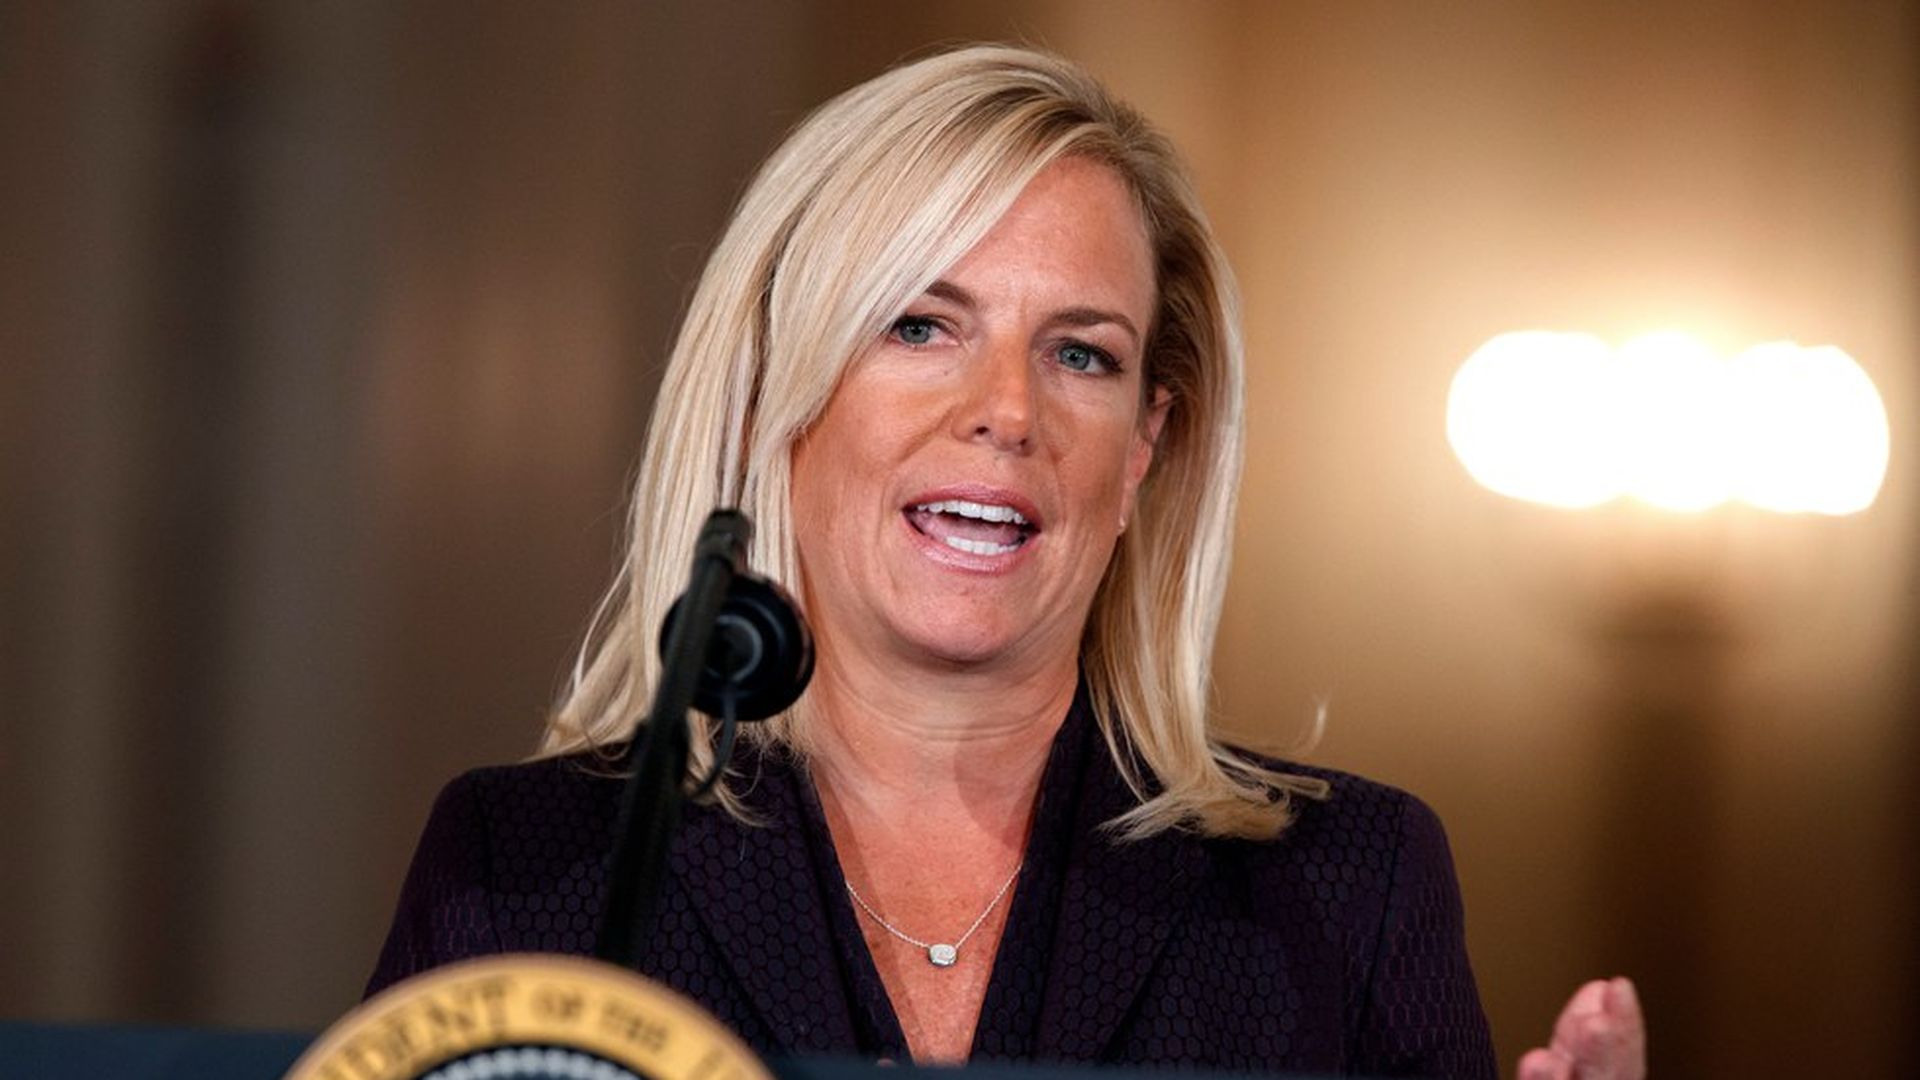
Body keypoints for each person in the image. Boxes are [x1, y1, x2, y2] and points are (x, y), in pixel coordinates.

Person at [367, 44, 1644, 1080]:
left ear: (1144, 444)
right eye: (921, 325)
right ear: (769, 397)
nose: (1010, 412)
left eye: (1081, 354)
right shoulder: (529, 869)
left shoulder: (1347, 888)